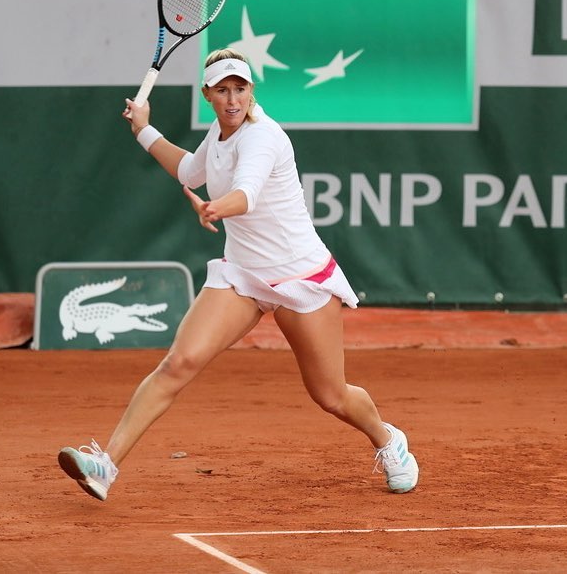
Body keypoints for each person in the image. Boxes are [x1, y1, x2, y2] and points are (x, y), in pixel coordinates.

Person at [57, 48, 419, 500]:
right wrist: (144, 129)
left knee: (330, 395)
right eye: (223, 90)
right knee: (178, 363)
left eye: (241, 89)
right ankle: (104, 465)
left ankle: (389, 442)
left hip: (300, 277)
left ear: (252, 91)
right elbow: (190, 169)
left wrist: (215, 207)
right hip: (244, 276)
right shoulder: (220, 132)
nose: (232, 99)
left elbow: (246, 194)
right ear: (207, 93)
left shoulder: (263, 137)